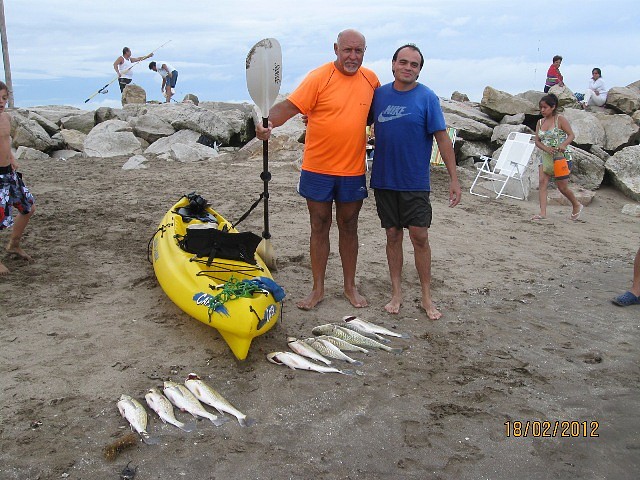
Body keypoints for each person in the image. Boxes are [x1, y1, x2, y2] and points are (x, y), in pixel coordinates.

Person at [256, 29, 380, 310]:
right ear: (336, 48)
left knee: (349, 226)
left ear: (364, 52)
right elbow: (288, 108)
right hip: (317, 168)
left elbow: (377, 116)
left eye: (358, 51)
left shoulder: (370, 80)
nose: (352, 56)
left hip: (352, 170)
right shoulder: (318, 77)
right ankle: (318, 289)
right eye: (347, 50)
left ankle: (350, 287)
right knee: (319, 225)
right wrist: (265, 125)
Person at [369, 44, 461, 319]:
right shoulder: (379, 95)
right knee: (392, 235)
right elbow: (352, 119)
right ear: (393, 64)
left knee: (420, 237)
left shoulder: (427, 97)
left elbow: (442, 139)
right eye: (404, 62)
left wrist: (454, 179)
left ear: (419, 70)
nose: (408, 67)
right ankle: (396, 293)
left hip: (415, 181)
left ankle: (426, 297)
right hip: (385, 179)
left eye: (415, 64)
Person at [0, 81, 35, 275]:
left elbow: (6, 141)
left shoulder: (6, 118)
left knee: (28, 207)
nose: (1, 102)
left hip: (9, 173)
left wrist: (12, 158)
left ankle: (13, 244)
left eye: (4, 98)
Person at [532, 93, 583, 221]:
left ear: (553, 107)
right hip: (546, 156)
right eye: (541, 107)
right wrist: (546, 149)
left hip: (561, 157)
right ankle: (542, 213)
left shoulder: (560, 120)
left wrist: (563, 144)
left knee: (562, 187)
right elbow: (537, 140)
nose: (542, 110)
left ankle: (576, 204)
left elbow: (571, 135)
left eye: (545, 107)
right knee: (542, 182)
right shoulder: (539, 122)